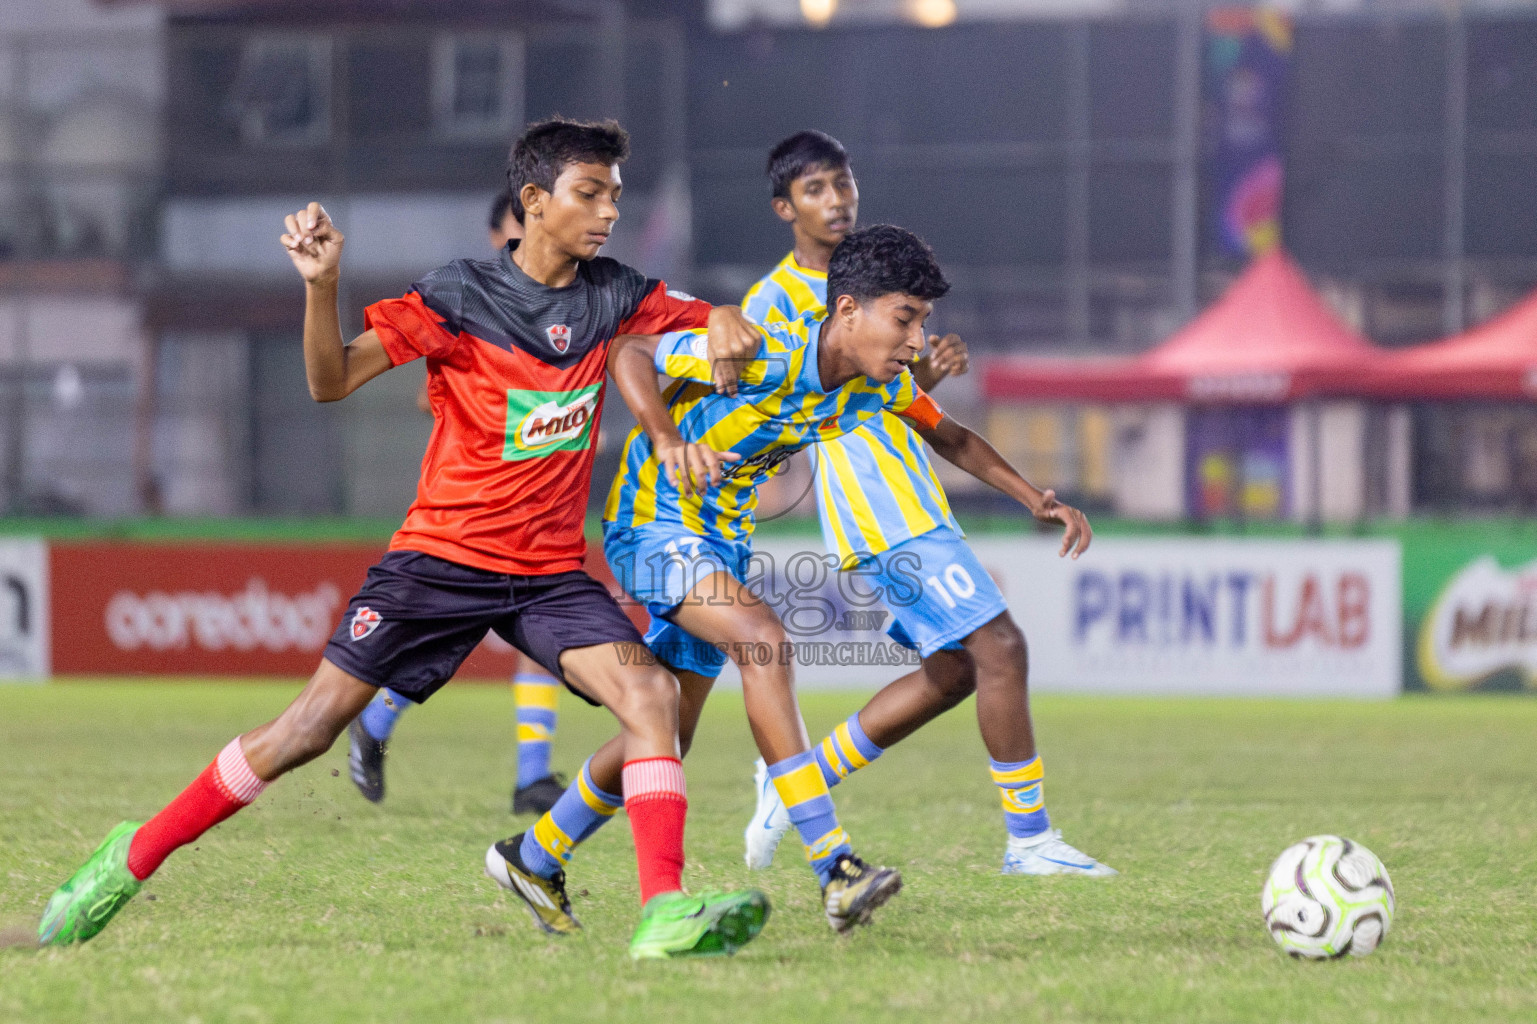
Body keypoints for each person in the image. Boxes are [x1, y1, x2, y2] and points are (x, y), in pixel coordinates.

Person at [37, 118, 769, 960]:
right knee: (304, 732)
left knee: (650, 700)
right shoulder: (460, 296)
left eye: (613, 194)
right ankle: (130, 858)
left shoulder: (616, 294)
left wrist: (723, 317)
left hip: (545, 573)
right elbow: (329, 381)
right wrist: (322, 285)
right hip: (439, 561)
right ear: (533, 202)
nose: (607, 211)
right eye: (589, 194)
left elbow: (710, 317)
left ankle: (663, 911)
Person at [500, 225, 1093, 940]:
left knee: (663, 732)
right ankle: (832, 865)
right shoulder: (760, 347)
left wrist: (1035, 498)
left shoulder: (876, 388)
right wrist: (665, 437)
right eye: (904, 319)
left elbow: (950, 436)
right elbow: (631, 351)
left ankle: (533, 855)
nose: (914, 340)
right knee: (763, 640)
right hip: (651, 522)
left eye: (921, 323)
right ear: (847, 311)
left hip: (720, 543)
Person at [735, 131, 1114, 878]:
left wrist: (1029, 491)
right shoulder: (772, 303)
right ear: (785, 207)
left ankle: (796, 782)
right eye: (815, 189)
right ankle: (1030, 842)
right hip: (877, 511)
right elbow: (792, 405)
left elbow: (913, 415)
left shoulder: (883, 282)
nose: (836, 199)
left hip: (916, 500)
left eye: (842, 182)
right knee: (1000, 646)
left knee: (955, 671)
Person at [349, 186, 570, 816]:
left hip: (543, 514)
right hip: (471, 516)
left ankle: (532, 776)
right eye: (514, 232)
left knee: (549, 643)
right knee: (445, 639)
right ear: (498, 237)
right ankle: (376, 719)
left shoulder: (572, 308)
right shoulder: (472, 307)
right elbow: (435, 393)